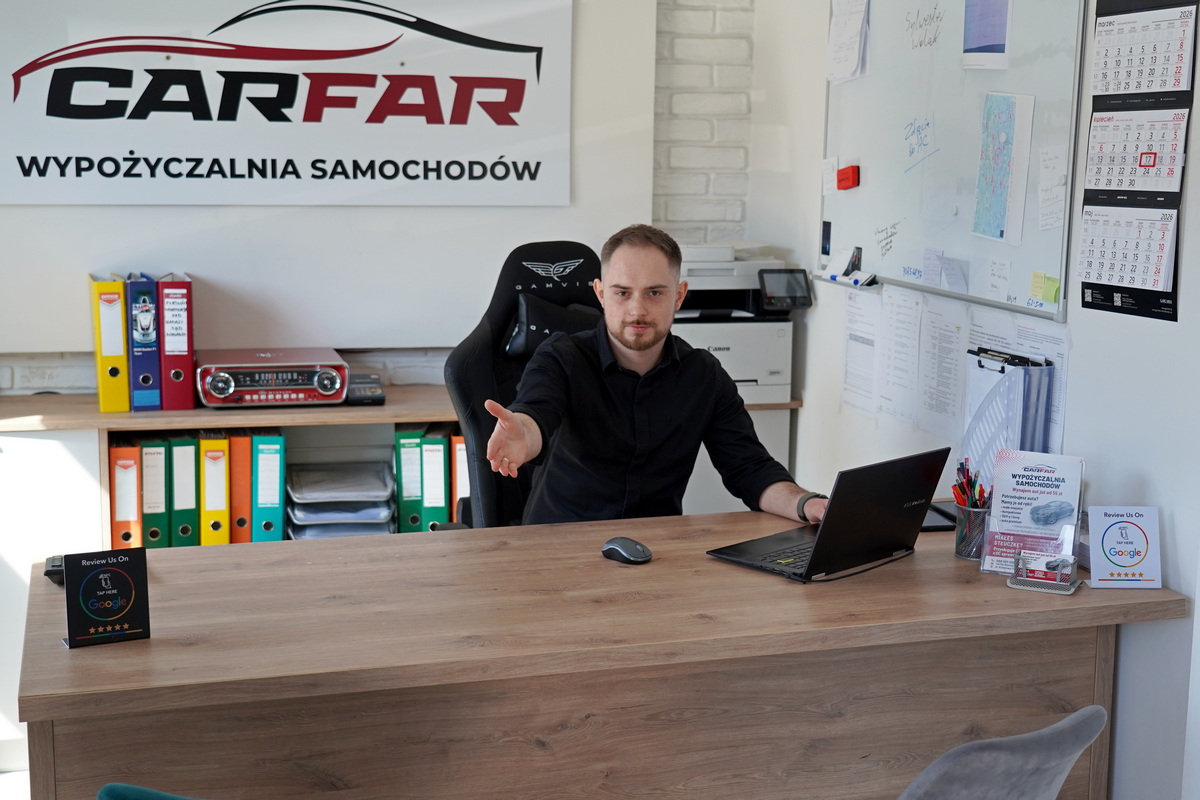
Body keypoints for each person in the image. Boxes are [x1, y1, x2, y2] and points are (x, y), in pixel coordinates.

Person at [484, 223, 829, 526]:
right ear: (601, 294)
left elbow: (750, 469)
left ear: (678, 296)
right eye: (622, 293)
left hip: (654, 547)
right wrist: (524, 433)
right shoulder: (562, 357)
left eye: (654, 292)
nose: (637, 309)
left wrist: (807, 504)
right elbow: (535, 412)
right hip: (561, 542)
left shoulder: (703, 376)